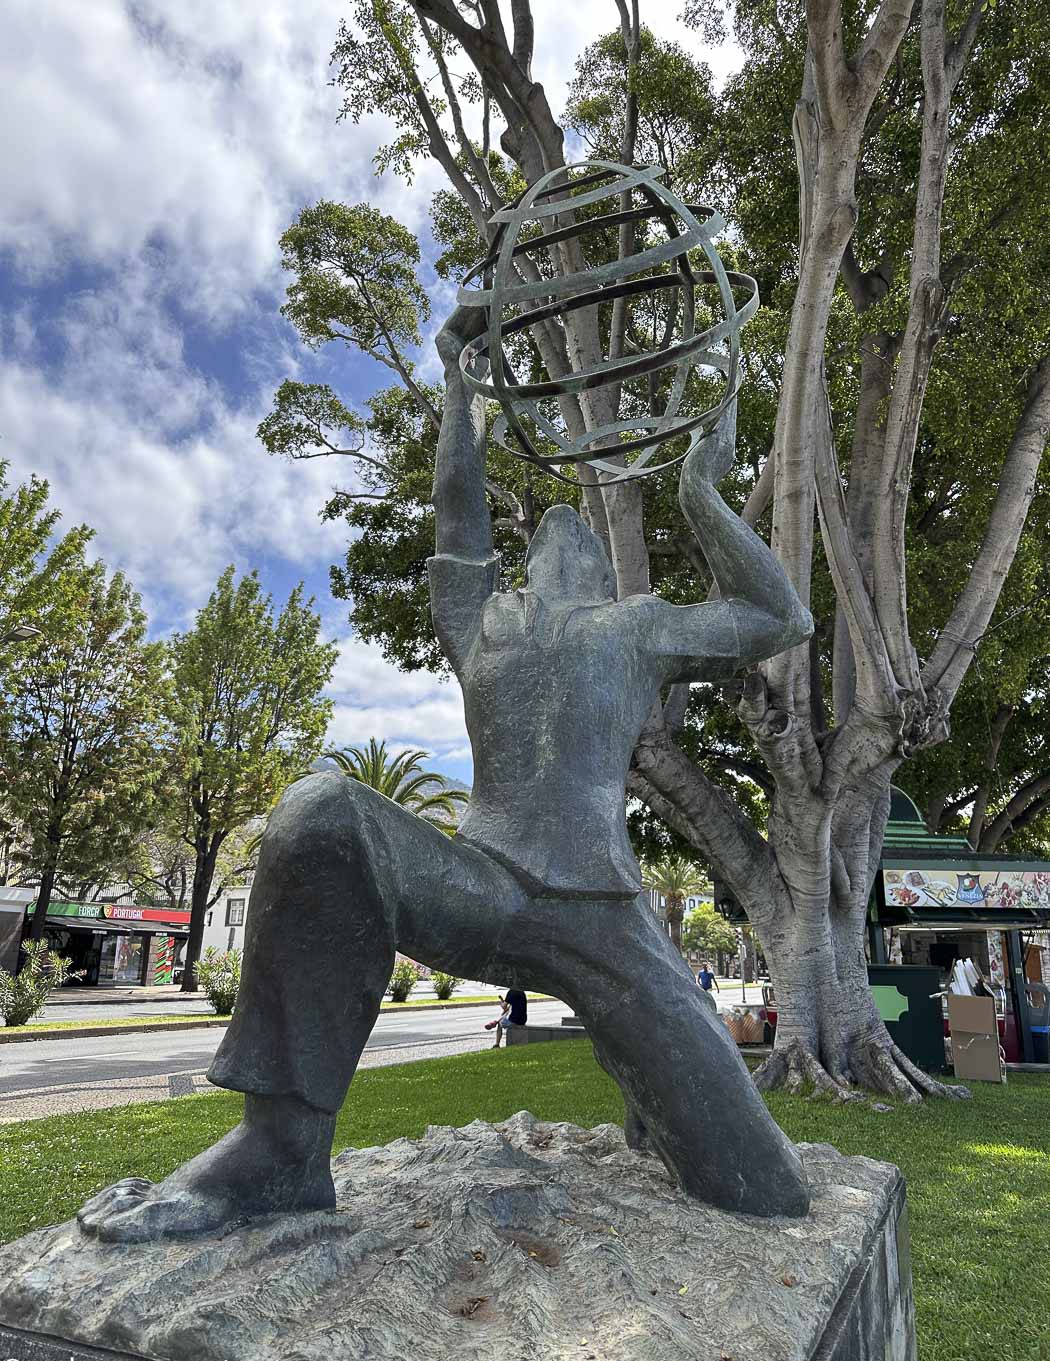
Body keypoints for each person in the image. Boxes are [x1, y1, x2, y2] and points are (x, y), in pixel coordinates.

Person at [76, 304, 813, 1245]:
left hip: (605, 913)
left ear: (605, 574)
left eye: (580, 532)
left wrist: (701, 491)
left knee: (760, 1186)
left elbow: (781, 616)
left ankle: (658, 1096)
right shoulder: (484, 620)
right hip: (479, 884)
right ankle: (278, 1154)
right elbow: (458, 512)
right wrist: (459, 386)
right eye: (540, 532)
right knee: (321, 811)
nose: (561, 525)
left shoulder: (641, 626)